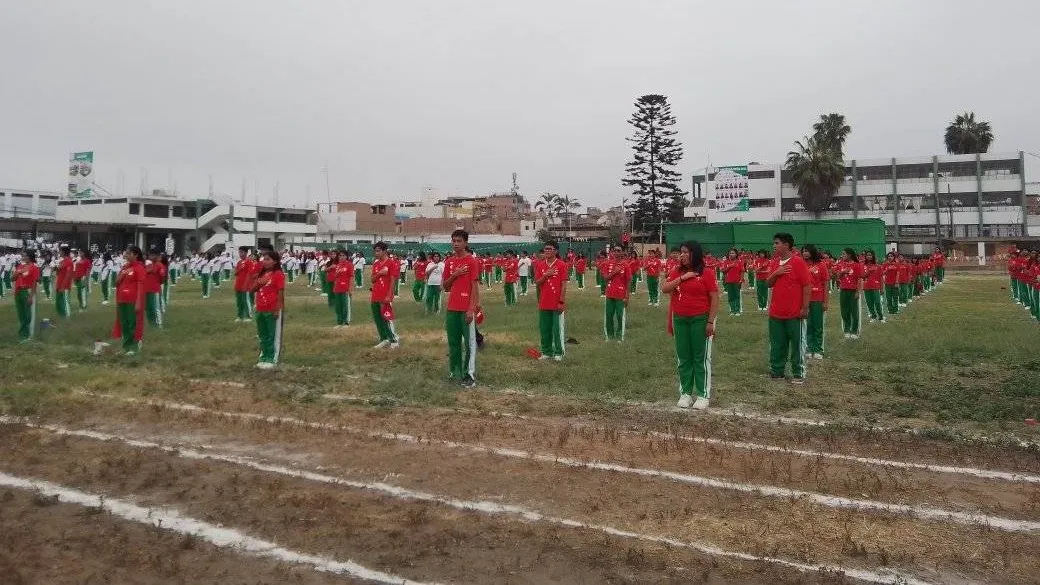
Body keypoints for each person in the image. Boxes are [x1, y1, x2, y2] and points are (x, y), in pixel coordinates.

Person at [661, 241, 718, 410]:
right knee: (684, 357)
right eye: (681, 252)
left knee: (700, 357)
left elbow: (714, 298)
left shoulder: (706, 273)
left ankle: (702, 395)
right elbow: (665, 288)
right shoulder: (677, 271)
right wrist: (683, 278)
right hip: (680, 319)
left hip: (700, 319)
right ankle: (685, 393)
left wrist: (710, 321)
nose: (682, 255)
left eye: (686, 252)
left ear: (695, 253)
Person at [766, 233, 812, 384]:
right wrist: (776, 272)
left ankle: (798, 373)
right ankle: (777, 371)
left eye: (777, 243)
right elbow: (768, 283)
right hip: (776, 313)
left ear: (786, 245)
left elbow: (807, 286)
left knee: (797, 344)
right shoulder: (775, 262)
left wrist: (805, 307)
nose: (774, 246)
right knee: (777, 343)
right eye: (774, 243)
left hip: (794, 313)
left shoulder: (798, 262)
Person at [441, 230, 482, 387]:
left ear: (465, 243)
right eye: (454, 241)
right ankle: (455, 371)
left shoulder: (472, 261)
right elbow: (445, 287)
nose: (456, 243)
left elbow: (474, 286)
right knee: (453, 342)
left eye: (459, 241)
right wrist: (455, 274)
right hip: (452, 308)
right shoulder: (449, 262)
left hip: (466, 308)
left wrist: (471, 308)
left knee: (470, 344)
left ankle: (469, 374)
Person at [534, 241, 567, 361]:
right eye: (545, 248)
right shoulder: (540, 265)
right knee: (545, 328)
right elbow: (537, 282)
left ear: (556, 251)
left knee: (557, 329)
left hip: (556, 302)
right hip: (544, 302)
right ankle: (546, 351)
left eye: (549, 248)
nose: (547, 251)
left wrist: (561, 302)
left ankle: (559, 352)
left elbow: (564, 284)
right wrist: (545, 275)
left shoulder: (561, 265)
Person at [252, 250, 285, 368]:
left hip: (272, 308)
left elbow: (280, 292)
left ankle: (272, 358)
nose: (264, 262)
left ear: (275, 261)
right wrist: (259, 282)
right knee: (263, 334)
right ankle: (263, 356)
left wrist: (277, 309)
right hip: (260, 308)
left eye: (268, 259)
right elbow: (252, 289)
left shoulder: (278, 274)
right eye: (264, 259)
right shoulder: (262, 274)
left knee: (272, 335)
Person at [112, 246, 146, 356]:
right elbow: (116, 282)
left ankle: (134, 347)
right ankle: (126, 347)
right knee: (124, 324)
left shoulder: (139, 268)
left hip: (132, 300)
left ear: (136, 255)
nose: (126, 255)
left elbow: (141, 286)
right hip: (122, 299)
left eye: (129, 253)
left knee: (133, 324)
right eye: (126, 253)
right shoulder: (124, 267)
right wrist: (123, 273)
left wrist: (138, 302)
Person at [370, 242, 400, 349]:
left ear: (384, 251)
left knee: (387, 318)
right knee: (378, 319)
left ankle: (394, 340)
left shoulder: (391, 263)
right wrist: (380, 273)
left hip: (385, 295)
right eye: (375, 251)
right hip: (375, 295)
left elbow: (393, 281)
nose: (376, 253)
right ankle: (384, 338)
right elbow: (372, 280)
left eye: (378, 251)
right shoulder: (376, 264)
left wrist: (389, 295)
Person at [801, 244, 828, 360]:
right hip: (804, 299)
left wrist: (825, 301)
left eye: (807, 251)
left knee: (818, 325)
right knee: (807, 325)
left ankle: (818, 349)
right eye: (803, 251)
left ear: (812, 252)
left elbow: (826, 284)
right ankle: (808, 348)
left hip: (817, 299)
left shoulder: (821, 265)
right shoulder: (801, 264)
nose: (804, 253)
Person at [834, 248, 865, 339]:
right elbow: (837, 277)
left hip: (853, 291)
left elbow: (859, 279)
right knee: (844, 311)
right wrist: (842, 272)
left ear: (849, 255)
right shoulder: (840, 264)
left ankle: (854, 331)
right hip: (843, 290)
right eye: (842, 254)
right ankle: (847, 329)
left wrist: (858, 291)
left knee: (854, 311)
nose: (842, 255)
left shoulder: (856, 265)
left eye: (844, 254)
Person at [602, 247, 631, 342]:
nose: (617, 252)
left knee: (620, 315)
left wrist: (627, 297)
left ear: (622, 252)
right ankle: (610, 336)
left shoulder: (626, 265)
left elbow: (628, 282)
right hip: (610, 293)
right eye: (615, 250)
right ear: (612, 252)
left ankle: (620, 336)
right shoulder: (608, 264)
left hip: (621, 295)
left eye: (619, 251)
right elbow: (605, 278)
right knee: (609, 315)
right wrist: (614, 272)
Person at [14, 250, 40, 343]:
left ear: (30, 257)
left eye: (25, 256)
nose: (23, 257)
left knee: (29, 315)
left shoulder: (34, 267)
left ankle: (30, 335)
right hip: (19, 292)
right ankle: (23, 334)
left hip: (27, 291)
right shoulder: (20, 266)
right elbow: (12, 279)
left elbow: (34, 282)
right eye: (23, 256)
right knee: (21, 314)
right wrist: (17, 274)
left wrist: (31, 296)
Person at [330, 249, 354, 327]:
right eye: (340, 256)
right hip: (337, 288)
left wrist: (350, 288)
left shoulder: (349, 265)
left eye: (343, 255)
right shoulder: (338, 265)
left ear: (346, 256)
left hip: (345, 288)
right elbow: (335, 277)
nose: (342, 257)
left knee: (345, 306)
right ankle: (339, 322)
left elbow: (351, 277)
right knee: (338, 306)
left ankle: (346, 322)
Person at [144, 248, 166, 328]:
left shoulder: (159, 265)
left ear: (156, 256)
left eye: (152, 255)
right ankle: (151, 323)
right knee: (148, 308)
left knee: (156, 307)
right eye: (149, 255)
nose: (150, 257)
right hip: (146, 289)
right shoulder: (148, 265)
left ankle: (158, 324)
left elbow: (162, 278)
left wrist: (156, 283)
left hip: (154, 289)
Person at [233, 247, 256, 322]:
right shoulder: (239, 262)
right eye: (239, 252)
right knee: (239, 302)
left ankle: (248, 316)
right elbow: (235, 273)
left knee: (246, 301)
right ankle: (240, 316)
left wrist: (246, 284)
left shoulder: (249, 262)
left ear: (246, 253)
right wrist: (240, 268)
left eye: (242, 252)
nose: (240, 254)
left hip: (245, 285)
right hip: (238, 284)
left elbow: (250, 274)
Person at [862, 250, 885, 324]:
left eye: (870, 255)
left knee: (877, 302)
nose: (869, 256)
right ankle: (873, 316)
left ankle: (881, 317)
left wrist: (882, 288)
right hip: (866, 287)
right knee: (869, 303)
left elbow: (881, 278)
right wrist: (869, 271)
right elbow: (862, 276)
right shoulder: (863, 266)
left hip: (875, 287)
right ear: (865, 257)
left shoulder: (878, 266)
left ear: (873, 256)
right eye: (867, 255)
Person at [721, 248, 744, 316]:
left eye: (733, 253)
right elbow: (724, 271)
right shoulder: (726, 262)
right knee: (730, 296)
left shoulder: (739, 262)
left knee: (737, 296)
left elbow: (742, 271)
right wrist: (729, 267)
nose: (731, 254)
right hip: (729, 281)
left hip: (737, 281)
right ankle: (732, 310)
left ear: (736, 254)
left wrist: (741, 279)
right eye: (730, 253)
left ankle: (737, 310)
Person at [54, 246, 74, 318]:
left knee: (65, 301)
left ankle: (67, 315)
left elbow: (68, 275)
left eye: (60, 251)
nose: (59, 252)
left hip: (64, 286)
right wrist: (56, 269)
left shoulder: (69, 262)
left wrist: (63, 286)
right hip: (59, 284)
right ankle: (61, 314)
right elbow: (58, 273)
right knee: (58, 302)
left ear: (64, 252)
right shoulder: (62, 261)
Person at [881, 252, 901, 316]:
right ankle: (890, 310)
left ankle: (896, 310)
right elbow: (882, 273)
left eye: (891, 256)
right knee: (888, 297)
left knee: (895, 297)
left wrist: (897, 282)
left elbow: (898, 273)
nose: (890, 257)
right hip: (887, 284)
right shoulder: (885, 264)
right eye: (889, 256)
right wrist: (885, 271)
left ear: (894, 257)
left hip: (895, 283)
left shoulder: (897, 264)